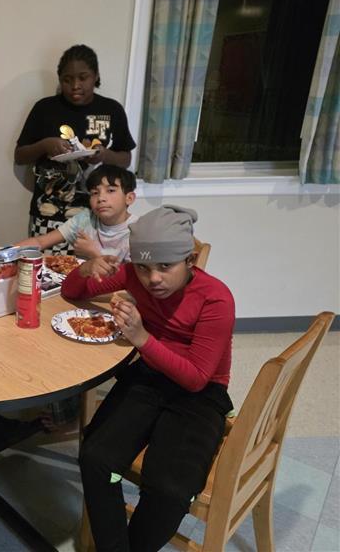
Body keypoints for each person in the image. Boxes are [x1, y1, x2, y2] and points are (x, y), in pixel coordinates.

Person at [62, 205, 235, 551]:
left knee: (169, 489)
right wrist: (86, 267)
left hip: (201, 394)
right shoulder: (130, 276)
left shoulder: (216, 298)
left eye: (164, 267)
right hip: (149, 377)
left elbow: (197, 378)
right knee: (97, 460)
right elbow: (73, 290)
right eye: (143, 267)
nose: (153, 279)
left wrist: (141, 337)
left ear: (189, 259)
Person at [15, 44, 136, 255]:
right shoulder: (44, 108)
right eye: (67, 79)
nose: (75, 85)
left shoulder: (111, 109)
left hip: (93, 215)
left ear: (95, 76)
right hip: (47, 211)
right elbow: (20, 155)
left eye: (83, 77)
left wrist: (104, 155)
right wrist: (45, 144)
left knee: (83, 274)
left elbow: (126, 158)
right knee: (45, 274)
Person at [18, 164, 137, 262]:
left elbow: (129, 279)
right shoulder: (85, 219)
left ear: (129, 198)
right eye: (95, 193)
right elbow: (40, 241)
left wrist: (94, 254)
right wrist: (7, 254)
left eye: (110, 190)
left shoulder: (139, 231)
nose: (101, 198)